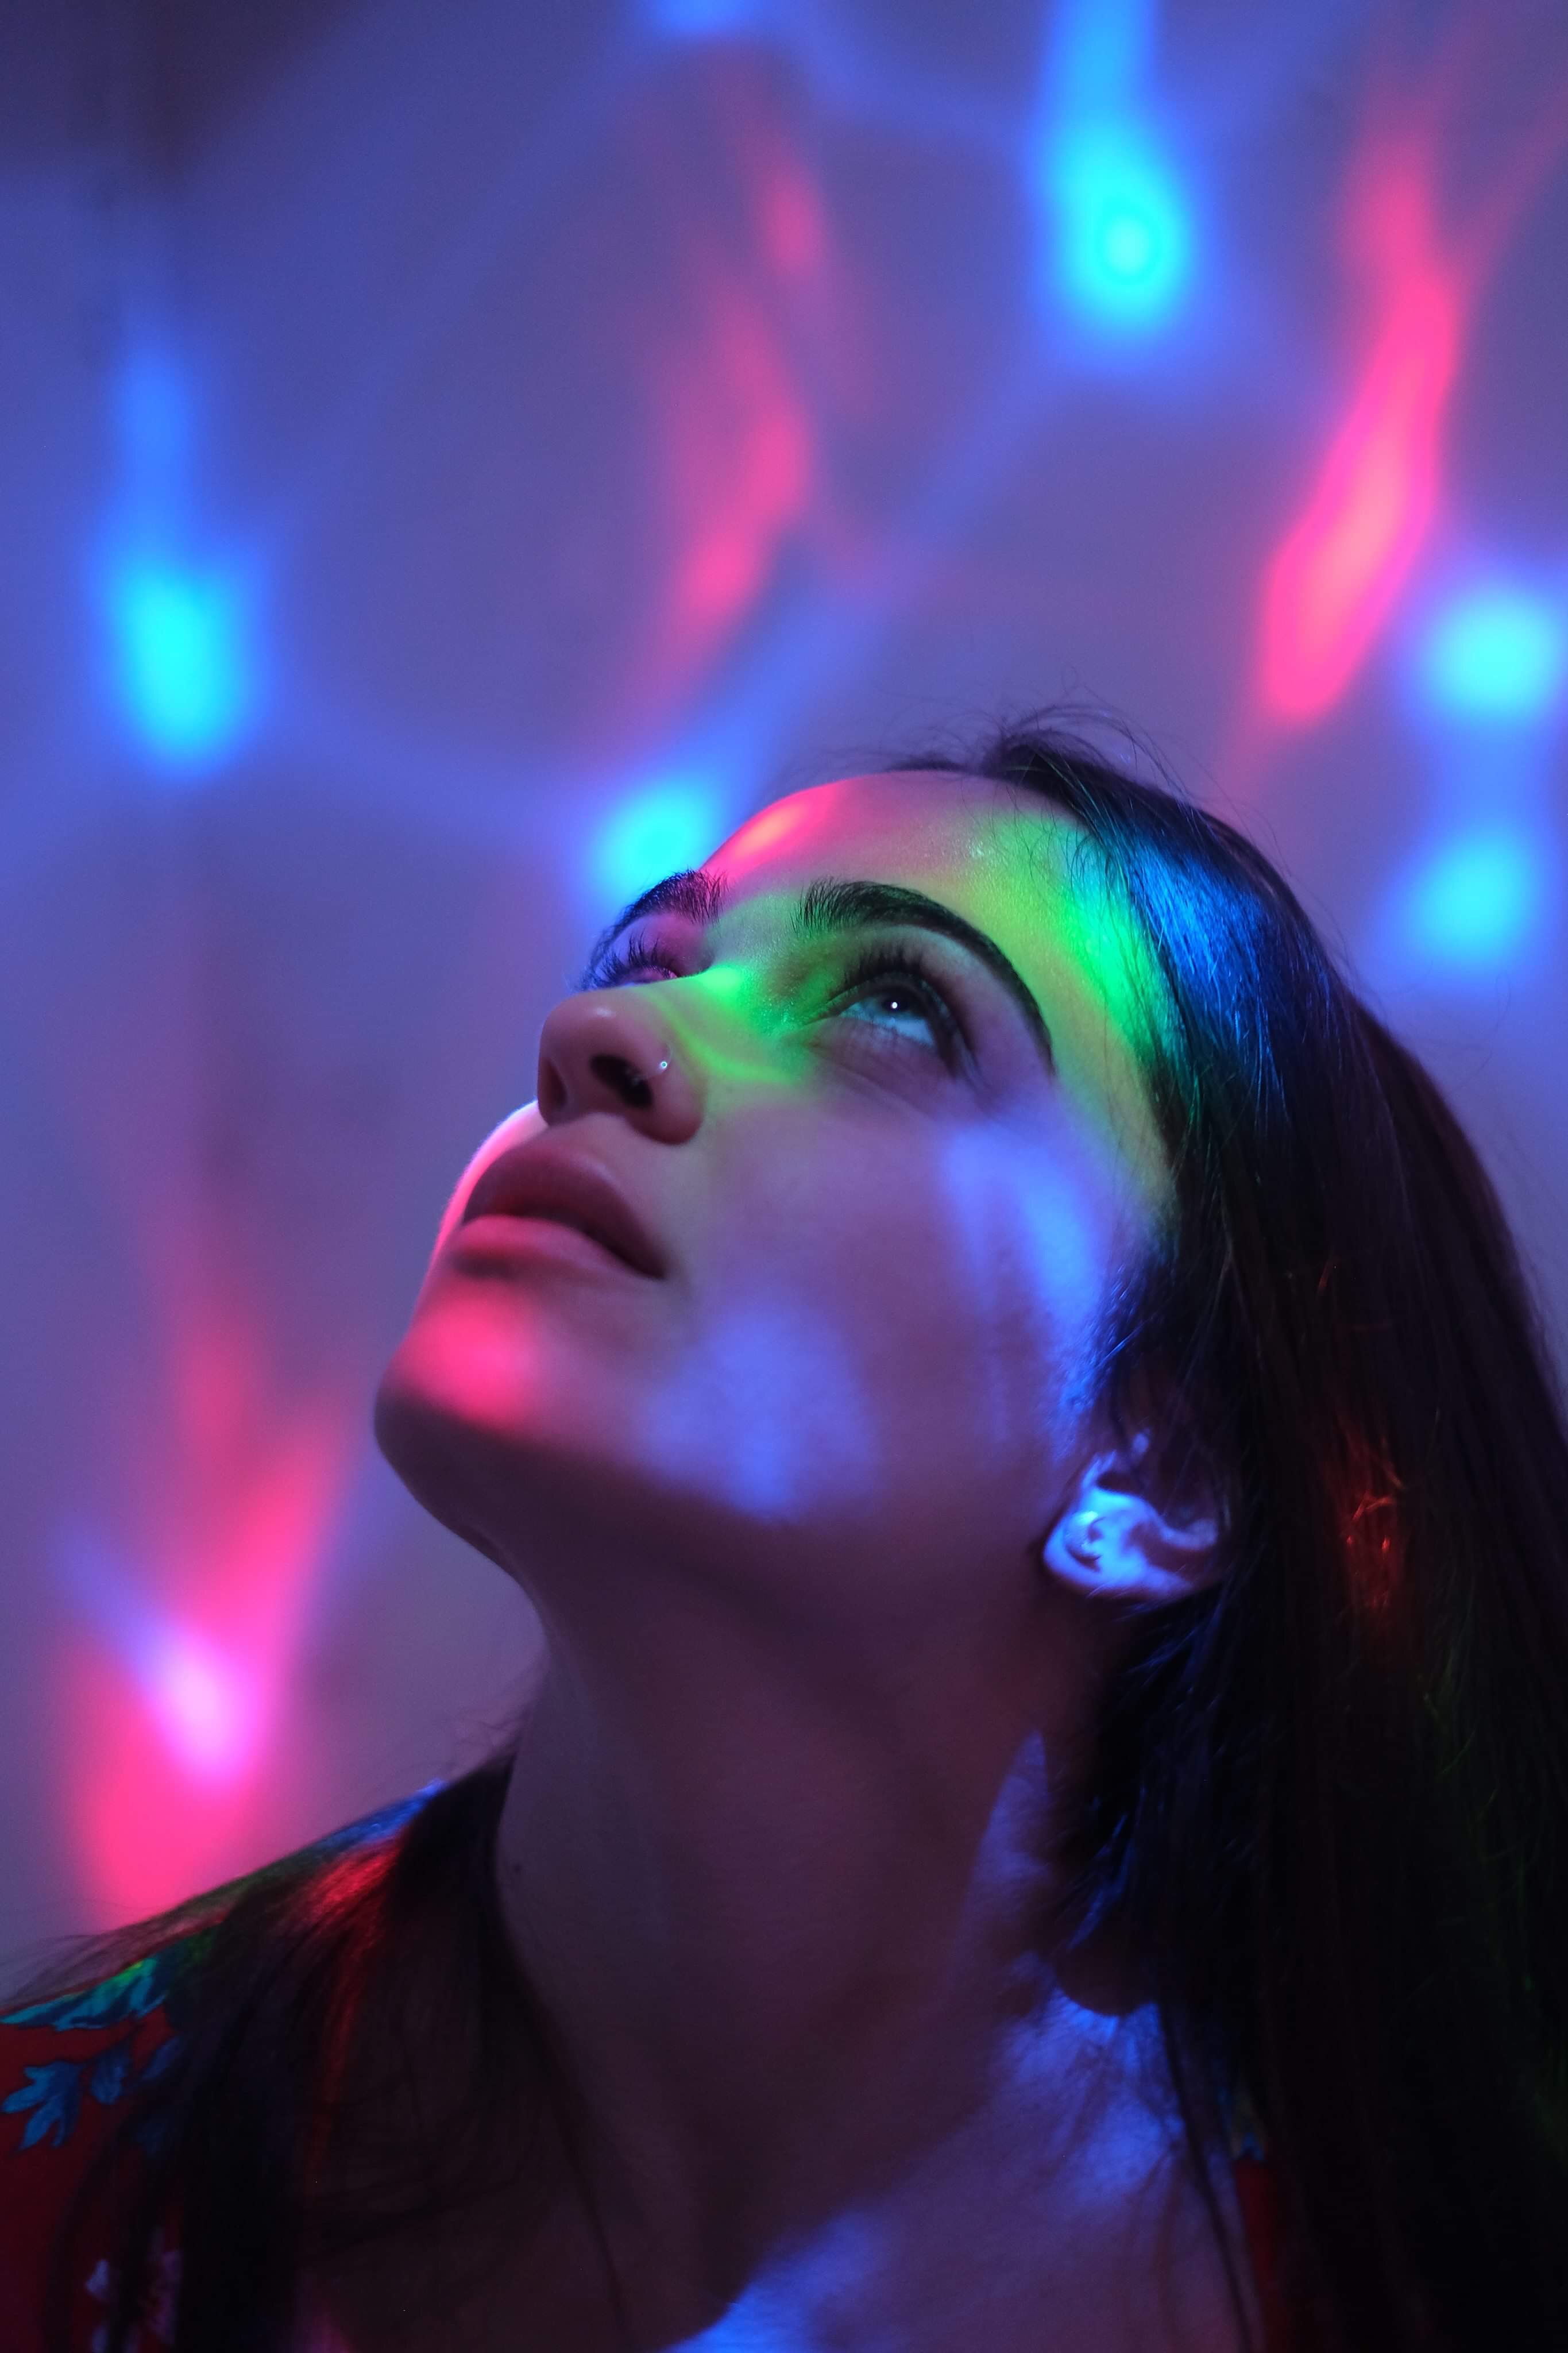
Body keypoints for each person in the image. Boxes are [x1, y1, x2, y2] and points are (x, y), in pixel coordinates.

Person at [3, 720, 1567, 2353]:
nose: (597, 1035)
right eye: (645, 966)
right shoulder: (55, 2191)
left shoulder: (1461, 2262)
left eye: (895, 1007)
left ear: (1159, 1466)